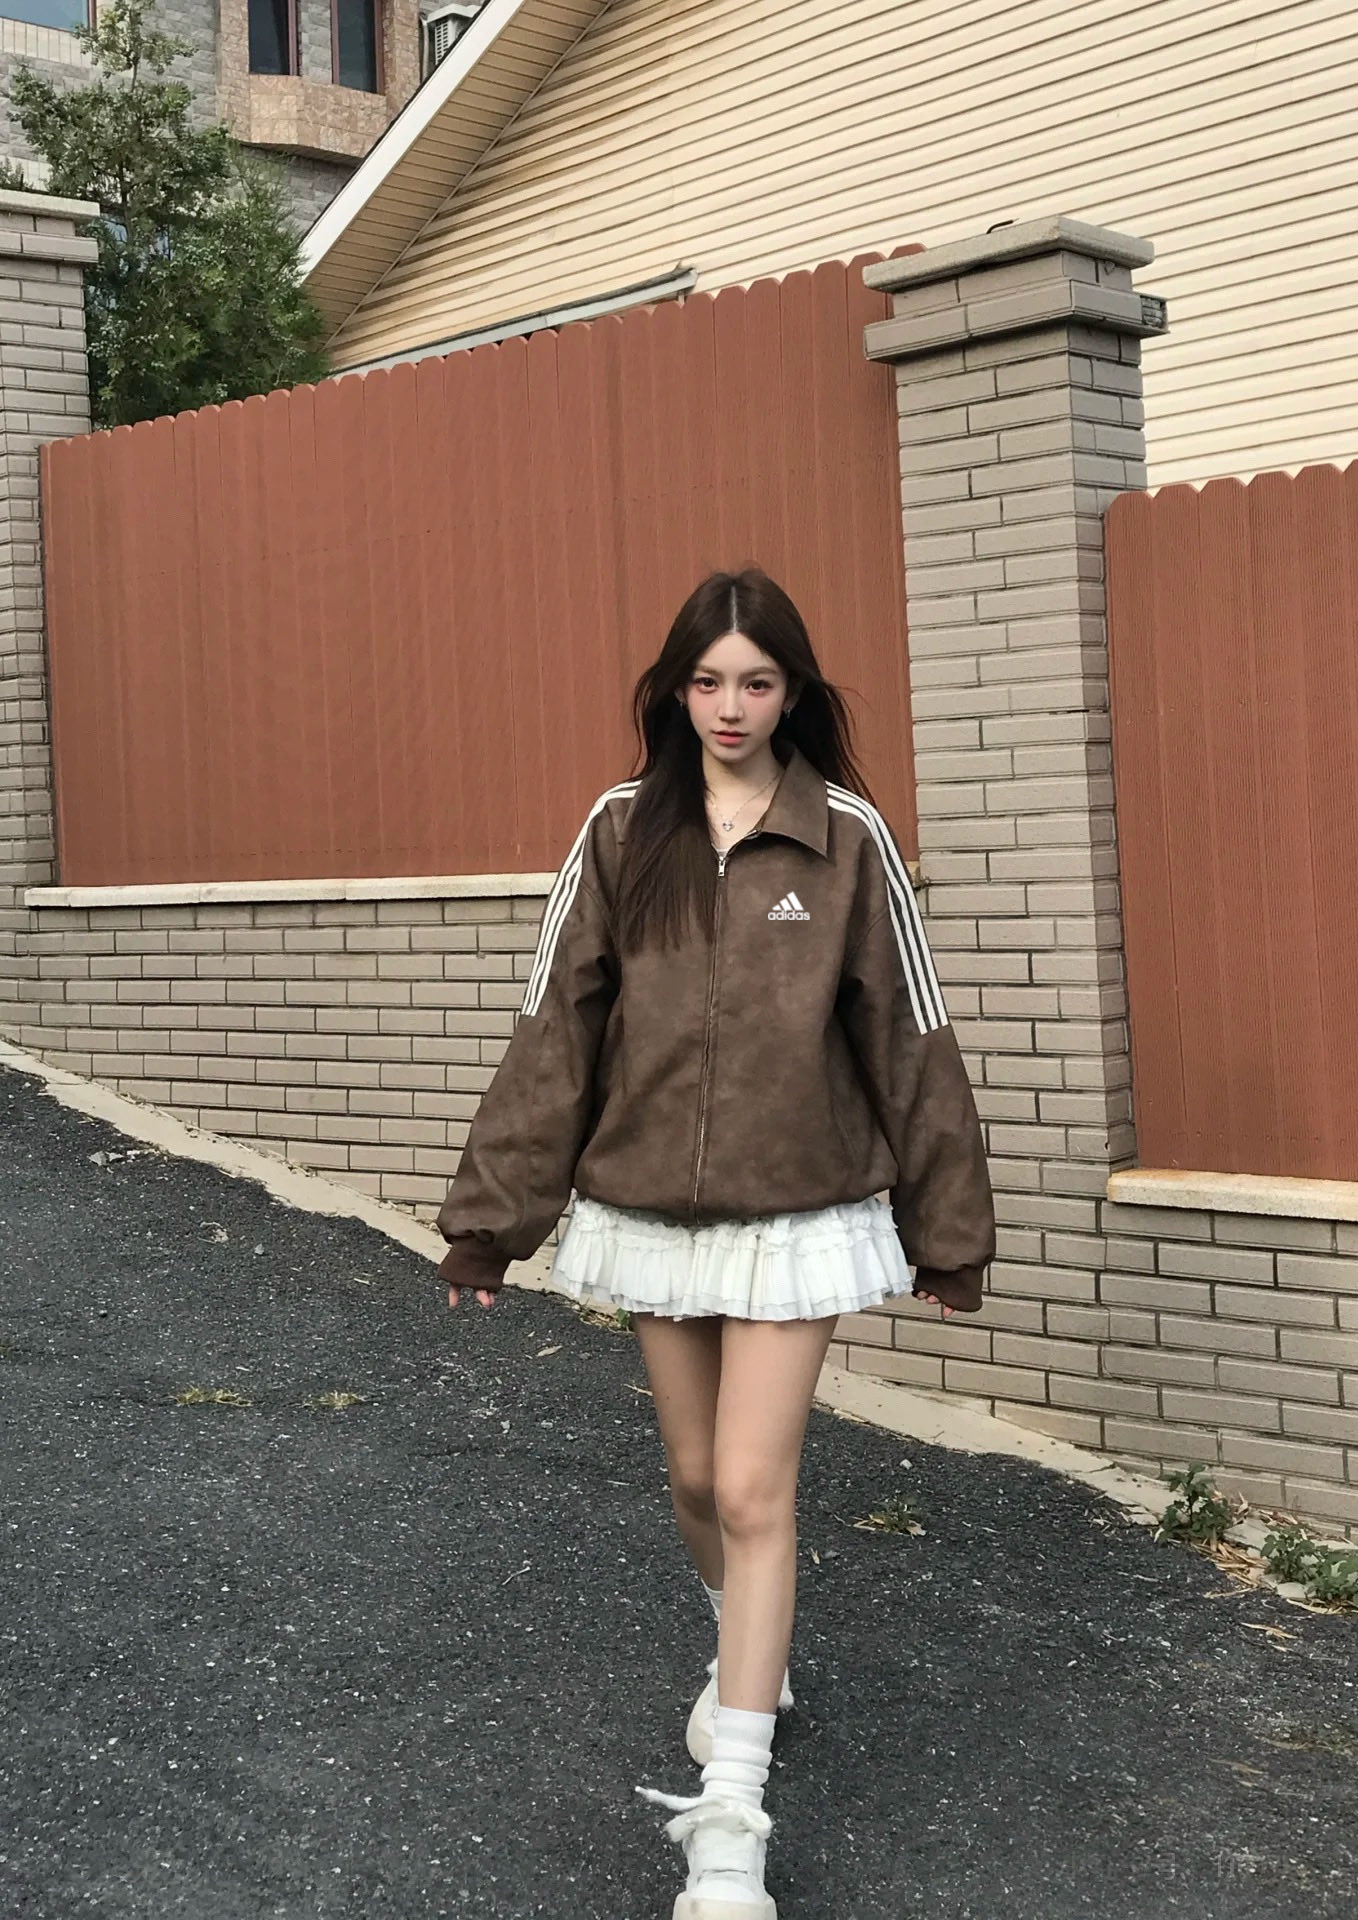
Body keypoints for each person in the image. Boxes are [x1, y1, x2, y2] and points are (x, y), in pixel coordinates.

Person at [436, 565, 995, 1920]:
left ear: (792, 693)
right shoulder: (621, 829)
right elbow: (559, 1027)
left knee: (752, 1487)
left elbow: (908, 1037)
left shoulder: (846, 837)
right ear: (674, 691)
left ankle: (729, 1822)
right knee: (694, 1478)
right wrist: (490, 1222)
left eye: (756, 681)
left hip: (800, 1214)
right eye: (706, 681)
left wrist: (947, 1227)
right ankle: (752, 1645)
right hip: (648, 1210)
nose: (730, 706)